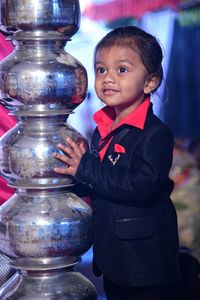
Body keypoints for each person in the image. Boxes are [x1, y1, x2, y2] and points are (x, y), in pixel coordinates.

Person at [53, 26, 180, 300]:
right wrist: (67, 180)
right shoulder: (102, 128)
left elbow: (140, 186)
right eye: (101, 70)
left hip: (144, 263)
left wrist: (85, 167)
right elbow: (101, 182)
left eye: (121, 70)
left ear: (150, 82)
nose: (108, 78)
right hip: (114, 258)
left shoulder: (155, 134)